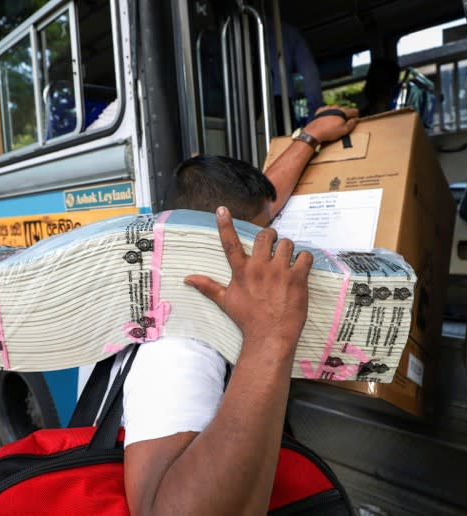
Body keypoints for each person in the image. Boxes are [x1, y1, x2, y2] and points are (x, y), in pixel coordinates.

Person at [106, 106, 358, 515]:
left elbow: (248, 210)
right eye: (258, 240)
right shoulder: (178, 349)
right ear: (215, 243)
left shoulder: (178, 259)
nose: (267, 250)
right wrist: (270, 336)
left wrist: (308, 138)